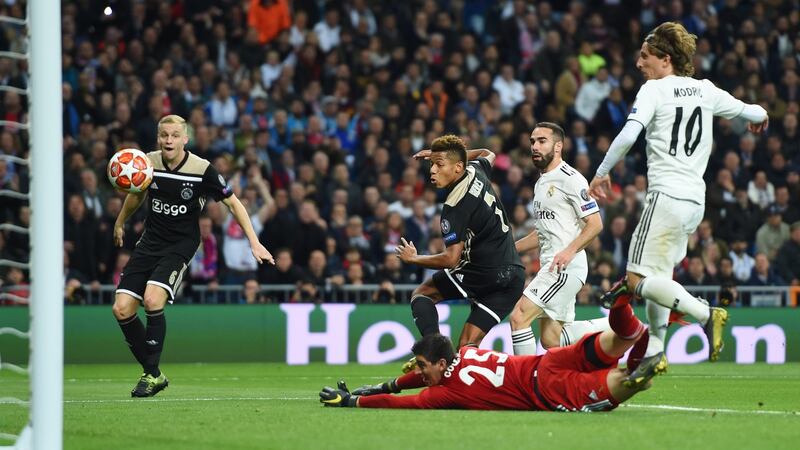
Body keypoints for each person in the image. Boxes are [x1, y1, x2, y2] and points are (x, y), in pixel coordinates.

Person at [588, 22, 769, 361]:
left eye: (645, 57)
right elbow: (754, 111)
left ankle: (705, 315)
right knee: (659, 276)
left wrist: (600, 173)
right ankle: (654, 350)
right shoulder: (705, 90)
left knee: (636, 278)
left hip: (666, 195)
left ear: (665, 59)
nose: (639, 64)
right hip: (694, 202)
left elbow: (629, 135)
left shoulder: (655, 90)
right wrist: (761, 117)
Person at [111, 115, 274, 397]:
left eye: (175, 135)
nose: (169, 141)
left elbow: (234, 204)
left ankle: (150, 375)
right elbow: (137, 194)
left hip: (181, 244)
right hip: (150, 241)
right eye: (164, 135)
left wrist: (254, 242)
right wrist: (120, 221)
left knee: (151, 299)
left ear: (185, 139)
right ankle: (154, 373)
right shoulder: (146, 163)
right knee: (122, 308)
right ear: (158, 138)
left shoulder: (203, 170)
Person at [319, 293, 662, 411]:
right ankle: (628, 321)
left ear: (441, 363)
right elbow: (411, 382)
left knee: (628, 381)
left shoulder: (447, 392)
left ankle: (638, 374)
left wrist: (354, 402)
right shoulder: (465, 352)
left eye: (423, 367)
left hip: (548, 391)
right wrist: (386, 384)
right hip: (549, 360)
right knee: (616, 340)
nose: (420, 374)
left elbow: (401, 403)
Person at [396, 135, 524, 352]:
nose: (432, 171)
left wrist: (414, 259)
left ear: (457, 167)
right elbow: (487, 152)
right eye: (432, 164)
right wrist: (446, 156)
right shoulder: (476, 171)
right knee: (467, 346)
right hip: (512, 276)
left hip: (482, 272)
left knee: (422, 294)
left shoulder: (455, 206)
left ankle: (434, 351)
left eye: (439, 164)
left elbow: (451, 258)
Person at [509, 122, 609, 355]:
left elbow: (595, 224)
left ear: (558, 146)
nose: (535, 146)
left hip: (564, 267)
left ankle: (525, 387)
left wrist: (568, 251)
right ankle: (615, 325)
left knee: (519, 317)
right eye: (533, 141)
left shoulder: (571, 179)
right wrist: (509, 250)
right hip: (552, 265)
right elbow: (542, 233)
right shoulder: (541, 183)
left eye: (542, 141)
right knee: (551, 340)